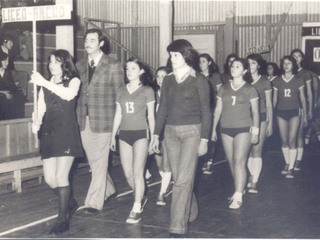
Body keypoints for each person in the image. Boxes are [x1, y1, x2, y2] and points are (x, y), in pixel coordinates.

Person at [152, 39, 210, 237]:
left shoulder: (199, 79)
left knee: (182, 181)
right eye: (170, 55)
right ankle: (191, 211)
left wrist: (204, 139)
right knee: (180, 178)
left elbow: (206, 111)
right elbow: (163, 109)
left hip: (192, 132)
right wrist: (155, 134)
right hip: (170, 132)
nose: (171, 59)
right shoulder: (168, 79)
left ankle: (177, 226)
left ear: (186, 55)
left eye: (175, 55)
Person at [30, 49, 82, 235]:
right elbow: (41, 108)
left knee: (61, 177)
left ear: (64, 64)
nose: (52, 65)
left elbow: (67, 95)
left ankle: (62, 219)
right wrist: (35, 121)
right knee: (51, 180)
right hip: (49, 133)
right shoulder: (46, 84)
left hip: (66, 132)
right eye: (50, 62)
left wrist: (43, 82)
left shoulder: (74, 81)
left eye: (56, 62)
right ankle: (69, 201)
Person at [76, 28, 124, 214]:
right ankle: (109, 189)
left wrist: (117, 125)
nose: (88, 43)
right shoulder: (79, 66)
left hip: (105, 120)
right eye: (86, 40)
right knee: (95, 160)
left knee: (99, 160)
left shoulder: (113, 64)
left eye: (92, 40)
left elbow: (119, 95)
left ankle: (94, 202)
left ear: (101, 43)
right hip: (83, 119)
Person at [110, 57, 156, 224]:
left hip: (141, 134)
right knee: (128, 173)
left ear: (141, 71)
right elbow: (118, 114)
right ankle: (141, 196)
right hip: (124, 134)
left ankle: (136, 207)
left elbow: (151, 116)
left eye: (133, 68)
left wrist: (153, 137)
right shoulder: (121, 90)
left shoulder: (147, 90)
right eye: (127, 68)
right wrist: (113, 135)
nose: (129, 71)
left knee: (138, 171)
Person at [211, 58, 259, 209]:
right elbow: (218, 110)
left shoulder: (250, 89)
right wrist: (213, 129)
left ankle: (238, 195)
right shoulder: (224, 88)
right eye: (232, 66)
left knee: (239, 161)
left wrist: (255, 132)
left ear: (244, 71)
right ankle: (240, 187)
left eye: (237, 66)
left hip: (243, 128)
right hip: (226, 129)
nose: (233, 68)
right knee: (232, 161)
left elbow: (256, 112)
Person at [273, 55, 307, 179]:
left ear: (293, 65)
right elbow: (274, 99)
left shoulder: (298, 79)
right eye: (284, 63)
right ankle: (287, 163)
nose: (286, 65)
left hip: (294, 112)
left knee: (292, 140)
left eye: (289, 63)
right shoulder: (277, 80)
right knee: (284, 140)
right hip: (280, 112)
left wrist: (305, 116)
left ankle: (291, 167)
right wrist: (272, 114)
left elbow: (303, 98)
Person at [246, 54, 273, 193]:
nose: (251, 65)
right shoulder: (244, 80)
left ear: (259, 65)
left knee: (257, 149)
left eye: (253, 63)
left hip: (261, 118)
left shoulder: (264, 81)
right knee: (248, 151)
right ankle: (252, 175)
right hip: (245, 119)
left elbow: (269, 104)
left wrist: (270, 123)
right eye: (249, 63)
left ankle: (254, 181)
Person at [199, 53, 222, 175]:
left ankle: (209, 161)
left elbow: (220, 94)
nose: (201, 64)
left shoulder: (215, 76)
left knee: (211, 134)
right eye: (199, 62)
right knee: (201, 134)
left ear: (209, 63)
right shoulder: (197, 76)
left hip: (212, 108)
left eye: (203, 61)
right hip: (200, 110)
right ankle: (203, 158)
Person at [290, 49, 313, 171]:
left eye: (299, 56)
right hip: (289, 107)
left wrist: (309, 110)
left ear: (302, 58)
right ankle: (289, 160)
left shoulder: (305, 73)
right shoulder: (288, 72)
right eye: (294, 56)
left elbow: (309, 92)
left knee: (298, 134)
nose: (296, 58)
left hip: (300, 106)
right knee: (289, 136)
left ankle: (298, 160)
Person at [153, 66, 172, 206]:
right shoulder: (152, 94)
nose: (160, 80)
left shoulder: (172, 94)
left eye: (163, 76)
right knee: (159, 163)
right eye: (158, 76)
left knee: (166, 163)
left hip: (169, 132)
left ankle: (162, 192)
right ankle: (167, 181)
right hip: (156, 133)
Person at [0, 51, 25, 120]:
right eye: (4, 61)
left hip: (7, 92)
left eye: (7, 61)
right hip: (1, 93)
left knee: (20, 95)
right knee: (4, 99)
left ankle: (19, 119)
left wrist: (18, 90)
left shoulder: (7, 72)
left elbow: (12, 86)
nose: (7, 63)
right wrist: (4, 93)